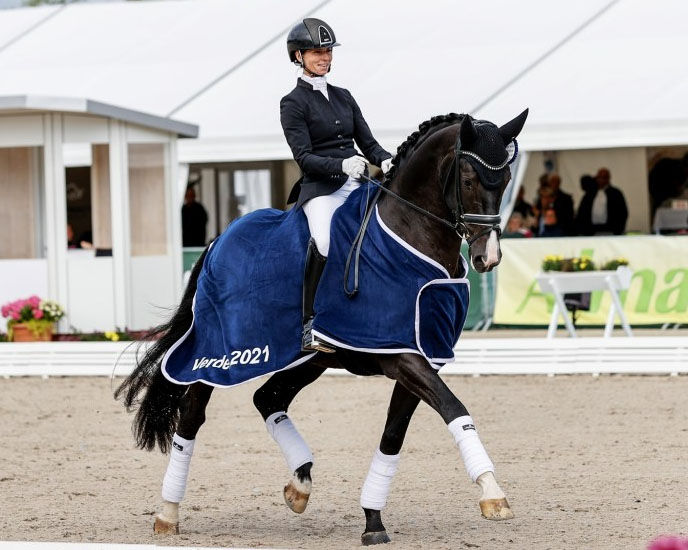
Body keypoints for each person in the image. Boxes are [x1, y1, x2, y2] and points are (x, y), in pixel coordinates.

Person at [281, 18, 392, 352]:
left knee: (387, 232)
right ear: (299, 56)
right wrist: (340, 165)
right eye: (317, 52)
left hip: (357, 183)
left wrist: (386, 160)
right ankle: (309, 324)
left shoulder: (344, 96)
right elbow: (303, 157)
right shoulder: (292, 103)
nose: (325, 57)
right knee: (326, 240)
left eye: (327, 51)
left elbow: (368, 144)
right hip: (320, 188)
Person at [575, 168, 628, 236]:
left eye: (603, 178)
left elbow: (623, 212)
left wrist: (618, 229)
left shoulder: (615, 193)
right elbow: (582, 211)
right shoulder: (590, 194)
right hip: (591, 230)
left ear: (608, 179)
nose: (600, 180)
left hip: (610, 230)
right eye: (599, 177)